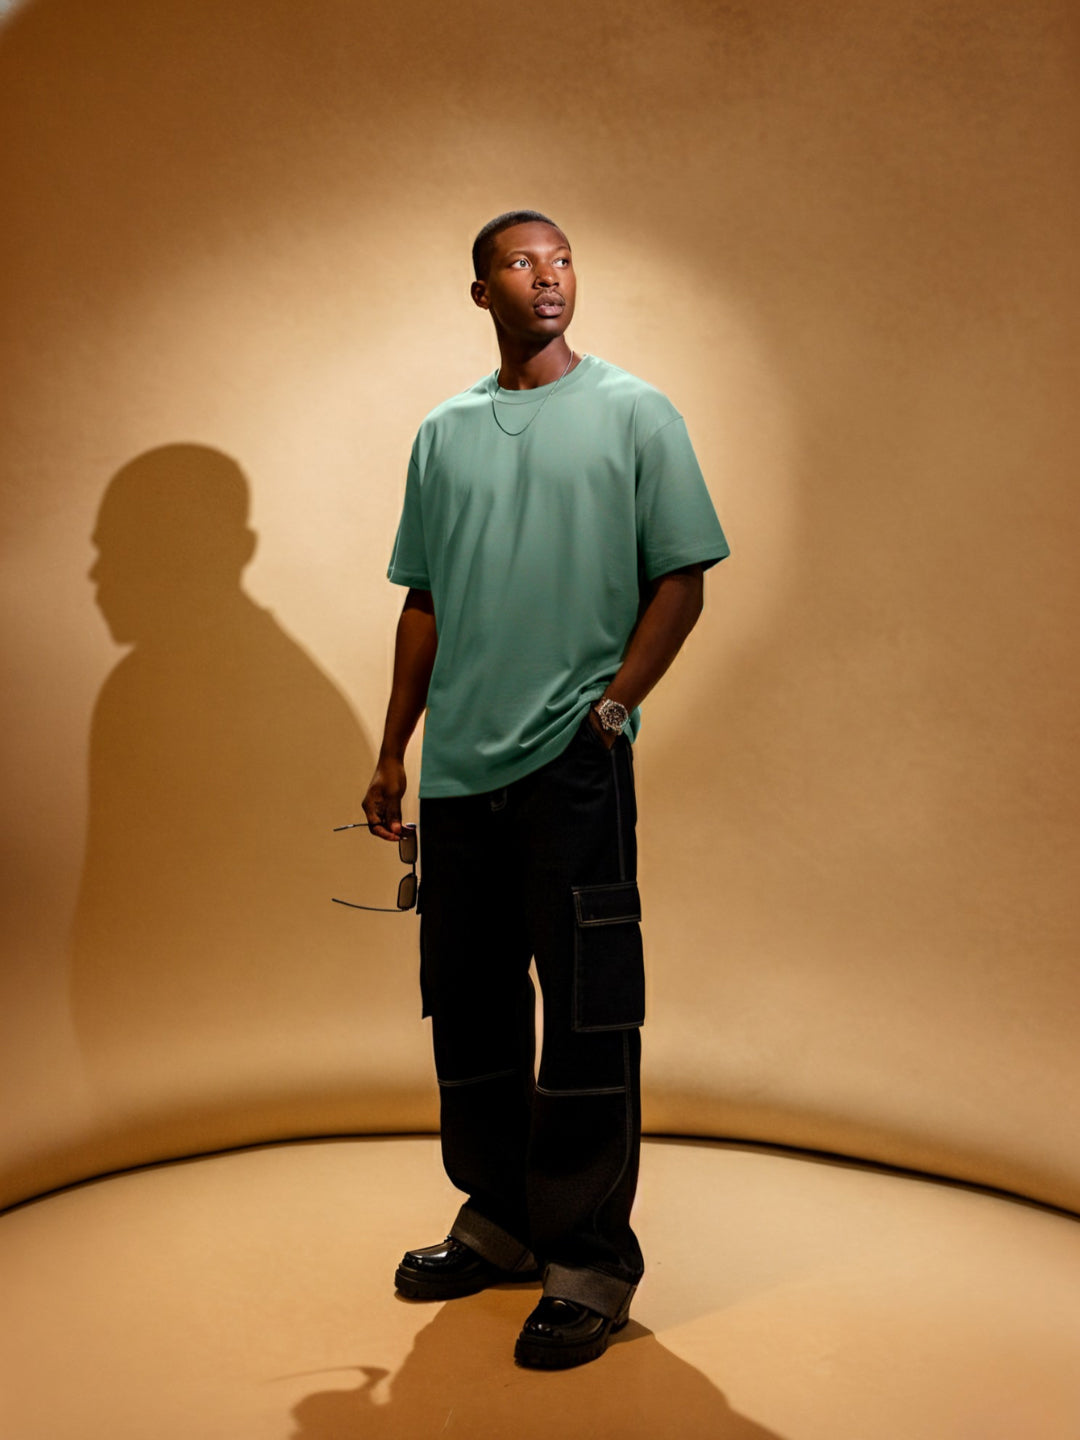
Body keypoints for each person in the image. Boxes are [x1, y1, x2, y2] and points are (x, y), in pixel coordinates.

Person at [361, 209, 730, 1369]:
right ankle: (502, 1219)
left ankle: (588, 1263)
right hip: (459, 778)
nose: (548, 278)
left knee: (587, 1016)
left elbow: (682, 578)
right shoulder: (444, 433)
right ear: (483, 293)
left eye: (561, 260)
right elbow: (424, 600)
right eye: (520, 265)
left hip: (571, 769)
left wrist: (611, 711)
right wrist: (393, 749)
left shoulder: (636, 413)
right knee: (468, 1012)